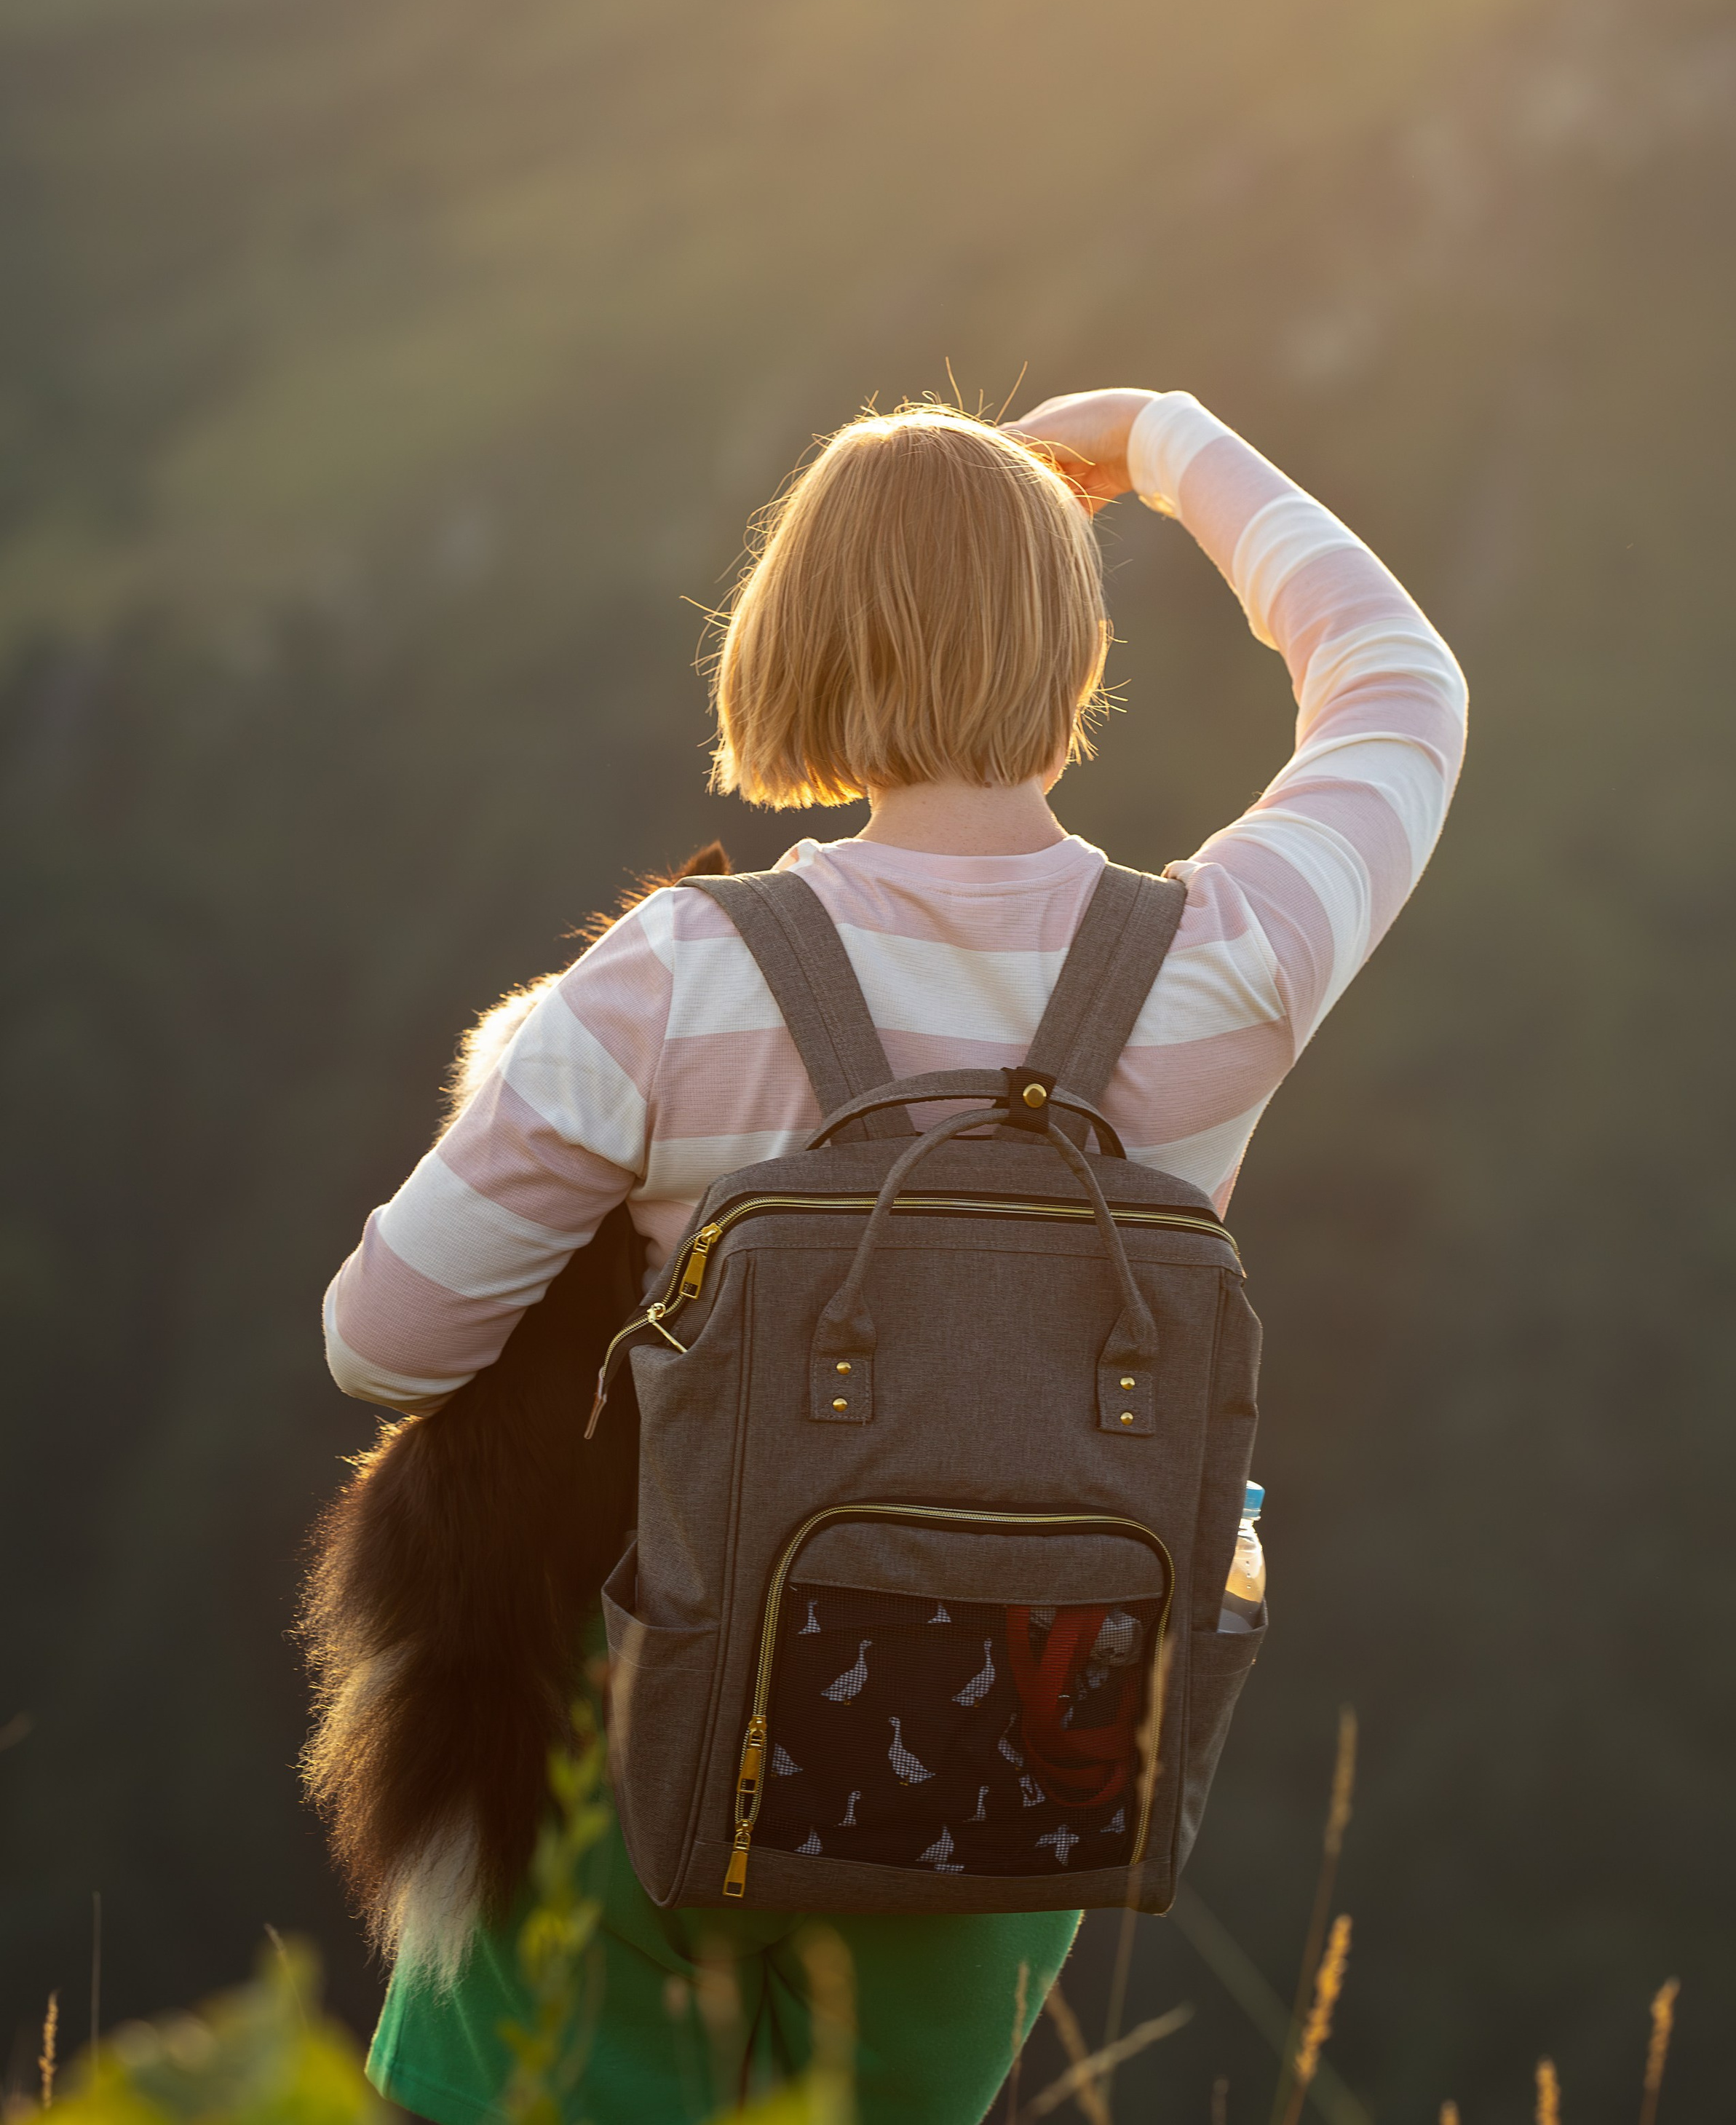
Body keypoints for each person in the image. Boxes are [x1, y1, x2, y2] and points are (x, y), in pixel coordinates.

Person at [314, 386, 1467, 2125]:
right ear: (1073, 658)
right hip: (1007, 1772)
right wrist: (1159, 439)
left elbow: (384, 1344)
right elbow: (1399, 686)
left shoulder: (669, 977)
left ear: (788, 644)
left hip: (651, 1733)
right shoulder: (1223, 968)